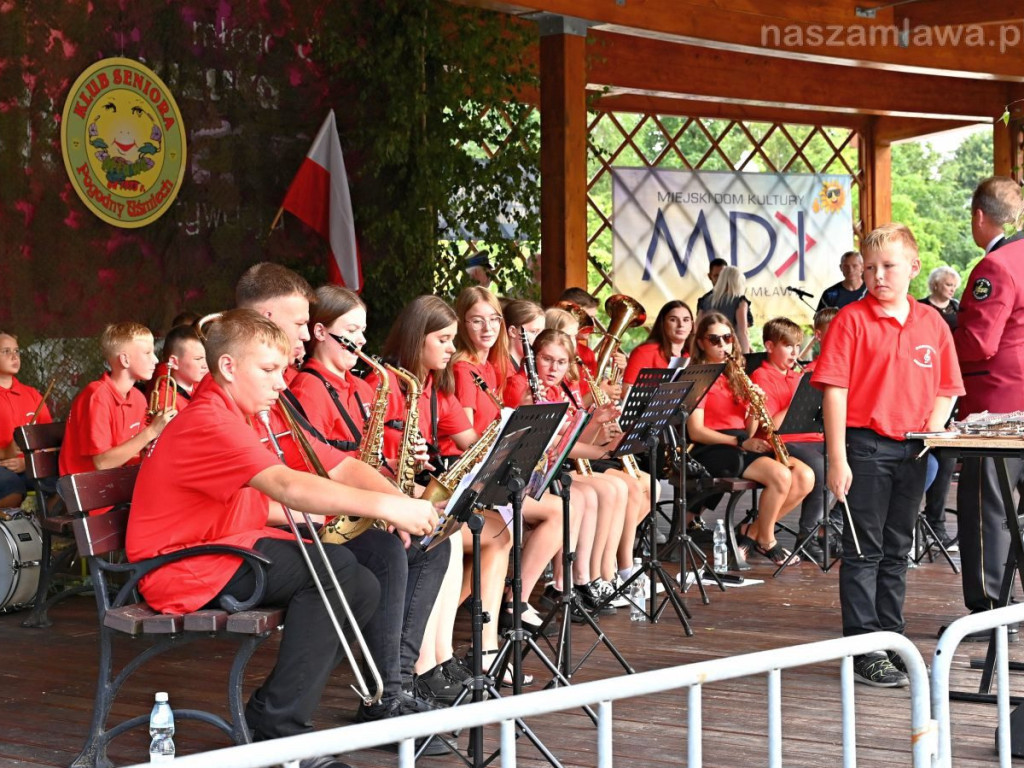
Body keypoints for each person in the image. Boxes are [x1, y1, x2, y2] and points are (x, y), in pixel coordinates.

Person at [126, 309, 439, 768]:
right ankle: (280, 728)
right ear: (229, 367)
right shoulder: (212, 419)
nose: (281, 383)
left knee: (361, 580)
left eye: (281, 370)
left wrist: (374, 506)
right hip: (182, 566)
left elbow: (272, 496)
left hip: (224, 548)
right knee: (340, 574)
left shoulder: (238, 413)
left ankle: (275, 710)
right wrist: (389, 506)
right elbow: (287, 485)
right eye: (269, 370)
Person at [287, 285, 454, 723]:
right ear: (320, 332)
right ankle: (385, 696)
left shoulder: (359, 388)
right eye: (351, 331)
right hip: (331, 515)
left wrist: (400, 464)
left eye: (363, 332)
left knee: (434, 542)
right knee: (386, 552)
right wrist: (387, 505)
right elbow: (320, 469)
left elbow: (364, 458)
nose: (360, 342)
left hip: (363, 504)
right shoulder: (306, 389)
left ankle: (397, 677)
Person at [812, 223, 963, 687]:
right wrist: (837, 459)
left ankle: (890, 636)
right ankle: (863, 646)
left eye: (889, 267)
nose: (878, 276)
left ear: (914, 269)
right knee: (863, 549)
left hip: (913, 449)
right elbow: (834, 393)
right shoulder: (851, 319)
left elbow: (948, 387)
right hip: (866, 445)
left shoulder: (932, 323)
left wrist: (931, 432)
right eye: (871, 267)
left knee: (898, 549)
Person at [951, 176, 1024, 630]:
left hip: (997, 405)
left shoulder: (996, 265)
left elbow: (978, 342)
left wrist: (937, 338)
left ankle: (988, 610)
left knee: (986, 506)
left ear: (980, 216)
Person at [687, 313, 814, 564]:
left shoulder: (735, 374)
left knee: (805, 476)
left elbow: (749, 426)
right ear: (701, 343)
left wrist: (755, 406)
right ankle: (767, 541)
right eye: (715, 340)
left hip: (741, 442)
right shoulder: (699, 376)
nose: (723, 345)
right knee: (780, 475)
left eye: (727, 338)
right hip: (712, 447)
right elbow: (695, 432)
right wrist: (739, 442)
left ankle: (752, 533)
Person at [749, 317, 827, 562]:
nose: (794, 353)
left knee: (842, 459)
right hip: (780, 442)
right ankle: (808, 535)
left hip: (807, 437)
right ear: (770, 347)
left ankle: (752, 532)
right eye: (788, 346)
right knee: (819, 470)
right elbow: (769, 425)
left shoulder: (796, 376)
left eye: (797, 346)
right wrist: (797, 402)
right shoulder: (762, 375)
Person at [59, 322, 175, 480]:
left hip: (120, 481)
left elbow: (135, 451)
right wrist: (152, 431)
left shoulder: (138, 397)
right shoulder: (97, 396)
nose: (155, 359)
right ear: (125, 360)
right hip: (91, 490)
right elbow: (102, 463)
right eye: (147, 353)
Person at [0, 332, 52, 508]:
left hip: (30, 465)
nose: (14, 356)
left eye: (16, 351)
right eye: (5, 351)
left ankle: (47, 531)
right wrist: (5, 454)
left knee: (67, 484)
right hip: (3, 468)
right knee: (10, 489)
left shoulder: (32, 394)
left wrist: (28, 462)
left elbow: (49, 439)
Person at [621, 300, 694, 402]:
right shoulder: (643, 352)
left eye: (686, 320)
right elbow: (626, 392)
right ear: (663, 323)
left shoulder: (691, 355)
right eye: (673, 320)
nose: (681, 324)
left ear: (691, 325)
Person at [148, 324, 209, 412]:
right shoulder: (166, 401)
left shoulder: (199, 387)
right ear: (174, 362)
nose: (205, 365)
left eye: (205, 358)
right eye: (198, 359)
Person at [698, 266, 752, 353]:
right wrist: (746, 356)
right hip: (729, 347)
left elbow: (697, 327)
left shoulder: (705, 300)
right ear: (738, 282)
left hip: (707, 348)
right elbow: (742, 332)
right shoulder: (739, 301)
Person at [919, 265, 962, 332]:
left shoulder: (958, 307)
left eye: (955, 286)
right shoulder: (919, 307)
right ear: (935, 284)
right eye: (949, 285)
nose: (953, 289)